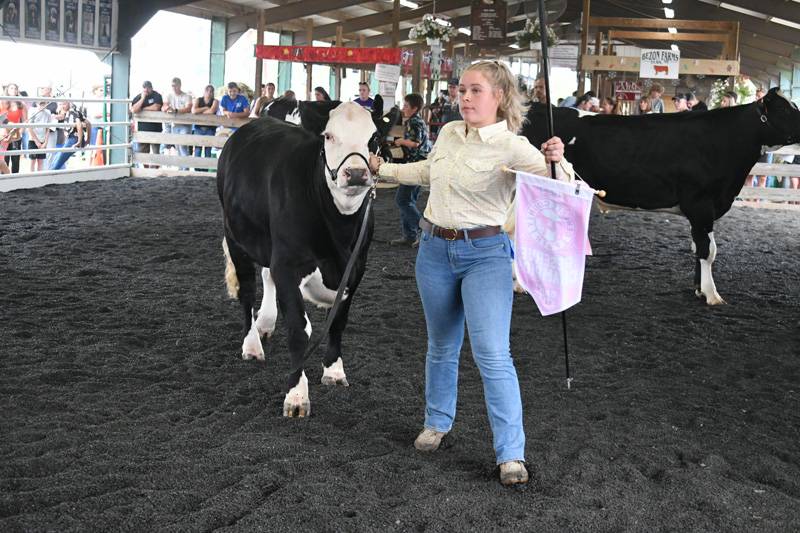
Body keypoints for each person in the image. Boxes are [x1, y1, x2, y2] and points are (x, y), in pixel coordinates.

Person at [368, 60, 574, 486]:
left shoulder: (514, 147)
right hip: (432, 250)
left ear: (499, 97)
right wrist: (382, 169)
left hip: (487, 254)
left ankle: (511, 453)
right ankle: (437, 421)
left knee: (492, 354)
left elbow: (562, 186)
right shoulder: (446, 133)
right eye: (462, 89)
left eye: (475, 90)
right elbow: (427, 170)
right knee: (440, 345)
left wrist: (558, 161)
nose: (464, 97)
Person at [389, 93, 431, 247]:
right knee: (408, 200)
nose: (403, 108)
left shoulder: (415, 122)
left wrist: (400, 141)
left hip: (416, 165)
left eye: (406, 106)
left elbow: (416, 143)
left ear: (414, 108)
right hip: (416, 163)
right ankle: (410, 235)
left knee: (402, 200)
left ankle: (424, 231)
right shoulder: (415, 121)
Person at [129, 81, 163, 161]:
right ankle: (145, 171)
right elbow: (134, 109)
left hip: (155, 130)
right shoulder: (138, 97)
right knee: (142, 154)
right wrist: (143, 98)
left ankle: (156, 172)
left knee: (156, 154)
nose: (146, 89)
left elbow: (156, 107)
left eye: (148, 87)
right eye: (144, 87)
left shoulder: (157, 95)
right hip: (142, 131)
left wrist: (142, 109)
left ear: (151, 88)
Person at [50, 101, 90, 170]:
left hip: (73, 139)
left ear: (69, 104)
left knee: (57, 161)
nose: (62, 106)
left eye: (64, 104)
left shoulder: (71, 112)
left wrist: (79, 141)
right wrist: (88, 139)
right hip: (73, 139)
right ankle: (49, 175)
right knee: (57, 158)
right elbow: (88, 123)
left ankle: (48, 177)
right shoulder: (75, 111)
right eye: (61, 104)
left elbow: (79, 125)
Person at [162, 77, 193, 160]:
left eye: (176, 85)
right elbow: (164, 106)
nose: (174, 88)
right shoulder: (169, 95)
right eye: (172, 86)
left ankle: (185, 169)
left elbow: (188, 108)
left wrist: (175, 110)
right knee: (177, 147)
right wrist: (166, 108)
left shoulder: (187, 96)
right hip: (174, 125)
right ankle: (181, 168)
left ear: (180, 85)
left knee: (183, 145)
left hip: (185, 124)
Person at [2, 83, 26, 173]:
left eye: (15, 88)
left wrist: (20, 133)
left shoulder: (21, 104)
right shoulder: (2, 102)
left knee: (15, 161)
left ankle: (15, 181)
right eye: (11, 88)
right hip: (4, 135)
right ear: (7, 90)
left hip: (16, 135)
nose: (14, 90)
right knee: (4, 160)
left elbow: (25, 121)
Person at [192, 85, 219, 160]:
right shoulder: (198, 100)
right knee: (197, 150)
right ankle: (197, 169)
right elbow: (194, 111)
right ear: (204, 92)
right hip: (198, 128)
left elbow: (211, 111)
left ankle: (206, 169)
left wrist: (199, 112)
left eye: (211, 91)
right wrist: (205, 108)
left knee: (208, 150)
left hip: (210, 128)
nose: (209, 93)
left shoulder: (215, 101)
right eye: (207, 91)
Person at [27, 100, 52, 172]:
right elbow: (29, 127)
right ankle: (31, 178)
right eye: (41, 104)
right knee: (32, 162)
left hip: (43, 141)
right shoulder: (32, 111)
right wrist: (36, 141)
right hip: (33, 140)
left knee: (41, 162)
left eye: (44, 103)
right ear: (37, 103)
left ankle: (39, 179)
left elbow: (48, 128)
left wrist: (45, 142)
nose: (42, 105)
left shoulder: (48, 112)